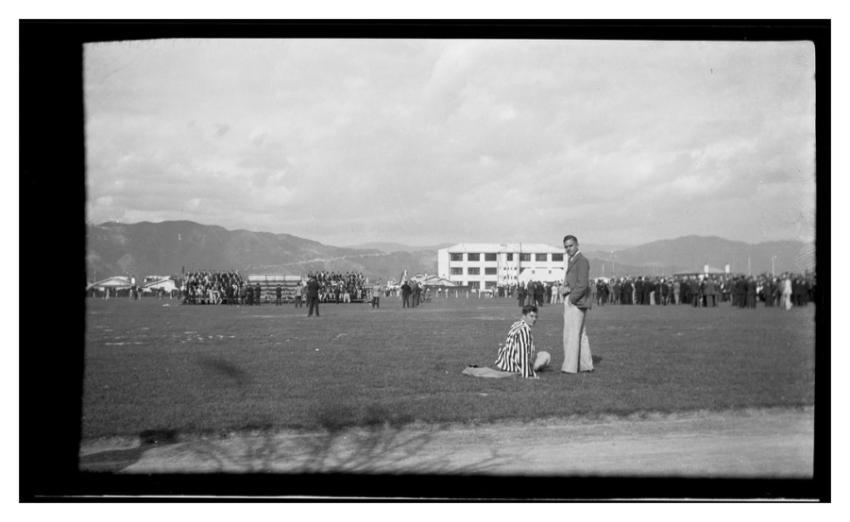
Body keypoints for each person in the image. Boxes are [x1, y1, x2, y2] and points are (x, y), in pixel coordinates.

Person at [561, 234, 594, 374]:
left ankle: (570, 367)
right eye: (566, 247)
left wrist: (571, 298)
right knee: (581, 334)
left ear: (577, 244)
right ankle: (585, 365)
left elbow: (583, 284)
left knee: (572, 334)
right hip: (575, 299)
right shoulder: (573, 260)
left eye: (571, 245)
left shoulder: (582, 261)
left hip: (576, 302)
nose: (568, 249)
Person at [494, 305, 550, 379]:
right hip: (515, 366)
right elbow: (522, 353)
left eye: (536, 317)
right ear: (524, 316)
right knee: (546, 356)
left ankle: (530, 366)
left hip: (506, 361)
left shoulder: (517, 324)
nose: (534, 319)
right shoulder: (524, 330)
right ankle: (528, 368)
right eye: (531, 316)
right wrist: (527, 374)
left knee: (540, 354)